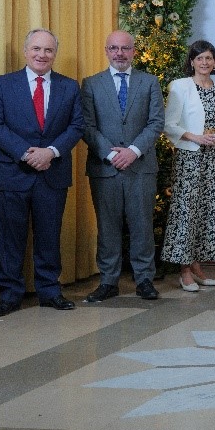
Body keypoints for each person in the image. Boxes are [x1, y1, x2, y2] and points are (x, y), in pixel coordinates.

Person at [0, 28, 84, 317]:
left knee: (49, 236)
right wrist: (28, 154)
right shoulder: (2, 85)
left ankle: (50, 291)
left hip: (52, 174)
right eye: (37, 49)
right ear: (26, 51)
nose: (42, 55)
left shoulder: (69, 86)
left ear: (55, 54)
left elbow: (76, 126)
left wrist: (50, 152)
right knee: (8, 238)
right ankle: (9, 295)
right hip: (11, 173)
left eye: (48, 50)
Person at [81, 30, 165, 301]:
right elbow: (87, 126)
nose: (120, 53)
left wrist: (133, 151)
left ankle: (144, 280)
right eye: (114, 48)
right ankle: (108, 281)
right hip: (105, 169)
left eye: (125, 48)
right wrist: (110, 154)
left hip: (140, 167)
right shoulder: (91, 84)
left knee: (142, 225)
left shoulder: (149, 82)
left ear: (133, 51)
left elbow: (156, 123)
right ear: (106, 50)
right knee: (107, 227)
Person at [161, 40, 215, 291]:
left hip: (212, 156)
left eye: (209, 58)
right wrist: (195, 136)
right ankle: (184, 270)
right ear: (191, 61)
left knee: (207, 210)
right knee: (186, 211)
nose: (204, 63)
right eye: (199, 58)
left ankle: (198, 265)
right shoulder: (180, 86)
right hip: (189, 156)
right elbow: (170, 124)